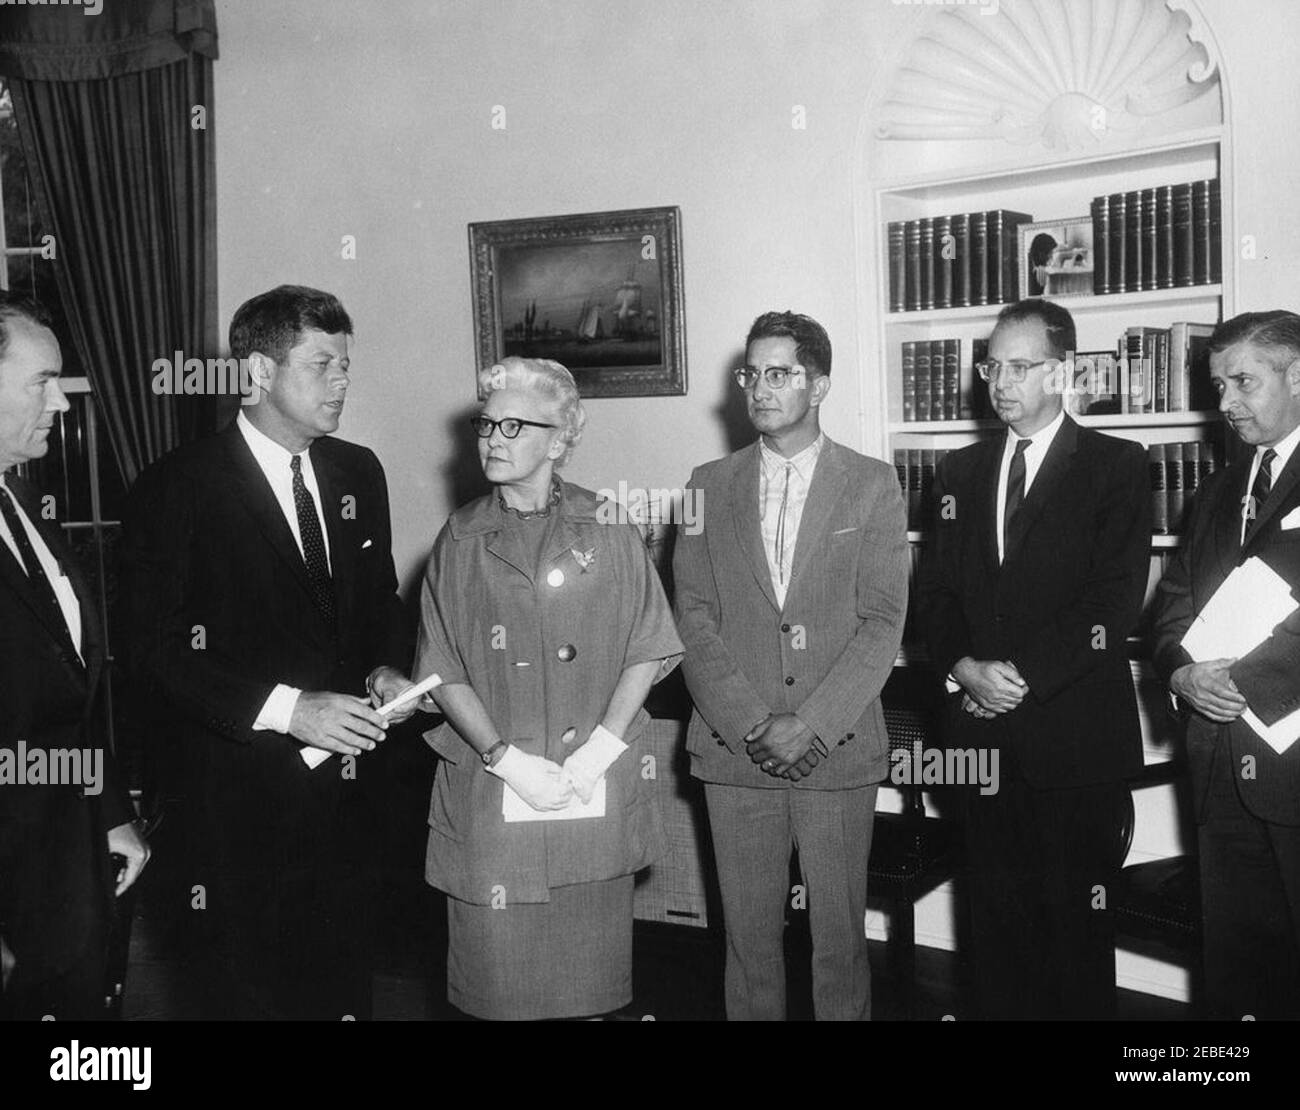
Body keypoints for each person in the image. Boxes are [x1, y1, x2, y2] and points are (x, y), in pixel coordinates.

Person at [118, 285, 415, 1019]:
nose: (343, 381)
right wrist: (287, 710)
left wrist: (385, 670)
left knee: (343, 991)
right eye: (322, 365)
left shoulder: (358, 472)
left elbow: (378, 606)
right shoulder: (177, 487)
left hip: (347, 805)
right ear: (256, 373)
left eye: (346, 364)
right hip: (232, 815)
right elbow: (151, 648)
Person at [415, 356, 682, 1020]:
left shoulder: (608, 524)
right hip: (495, 801)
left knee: (587, 992)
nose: (492, 439)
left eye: (514, 425)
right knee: (498, 992)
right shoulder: (461, 538)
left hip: (589, 795)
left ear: (559, 438)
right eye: (486, 423)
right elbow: (442, 667)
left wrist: (597, 754)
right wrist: (506, 760)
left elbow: (647, 648)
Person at [916, 298, 1150, 1019]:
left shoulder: (1117, 466)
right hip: (978, 739)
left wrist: (1019, 682)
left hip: (1072, 740)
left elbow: (1112, 606)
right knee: (994, 930)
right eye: (993, 366)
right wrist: (963, 669)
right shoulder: (956, 471)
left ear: (1064, 371)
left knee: (1076, 938)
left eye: (1020, 366)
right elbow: (934, 596)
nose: (1001, 381)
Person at [673, 311, 908, 1021]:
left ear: (820, 383)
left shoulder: (871, 485)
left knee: (839, 944)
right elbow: (693, 618)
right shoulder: (705, 484)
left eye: (781, 373)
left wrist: (810, 723)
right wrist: (753, 723)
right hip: (733, 751)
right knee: (748, 943)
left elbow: (882, 622)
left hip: (834, 752)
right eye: (752, 373)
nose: (761, 388)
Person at [0, 293, 148, 1020]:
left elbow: (67, 692)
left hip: (68, 864)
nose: (61, 401)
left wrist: (111, 813)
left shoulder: (21, 504)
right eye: (41, 380)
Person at [1153, 310, 1300, 1019]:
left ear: (1297, 374)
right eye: (1218, 385)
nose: (1225, 404)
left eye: (1243, 381)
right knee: (1241, 978)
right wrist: (1181, 675)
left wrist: (1235, 683)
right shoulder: (1217, 489)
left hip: (1292, 761)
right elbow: (1171, 606)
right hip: (1217, 763)